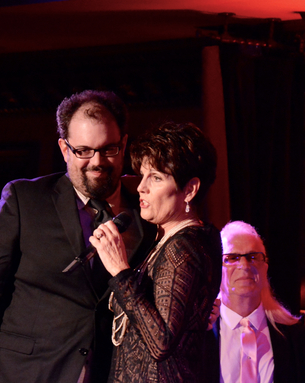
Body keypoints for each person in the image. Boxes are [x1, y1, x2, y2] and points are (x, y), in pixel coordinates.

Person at [0, 90, 156, 383]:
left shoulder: (147, 211)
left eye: (108, 149)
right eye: (83, 150)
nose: (97, 162)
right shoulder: (23, 201)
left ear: (124, 144)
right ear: (64, 149)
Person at [90, 121, 223, 382]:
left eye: (157, 177)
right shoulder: (171, 240)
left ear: (190, 189)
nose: (141, 187)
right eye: (143, 174)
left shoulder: (185, 246)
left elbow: (161, 342)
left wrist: (120, 270)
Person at [205, 221, 305, 383]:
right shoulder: (198, 334)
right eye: (232, 257)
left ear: (265, 267)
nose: (244, 265)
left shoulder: (300, 340)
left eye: (253, 257)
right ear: (216, 268)